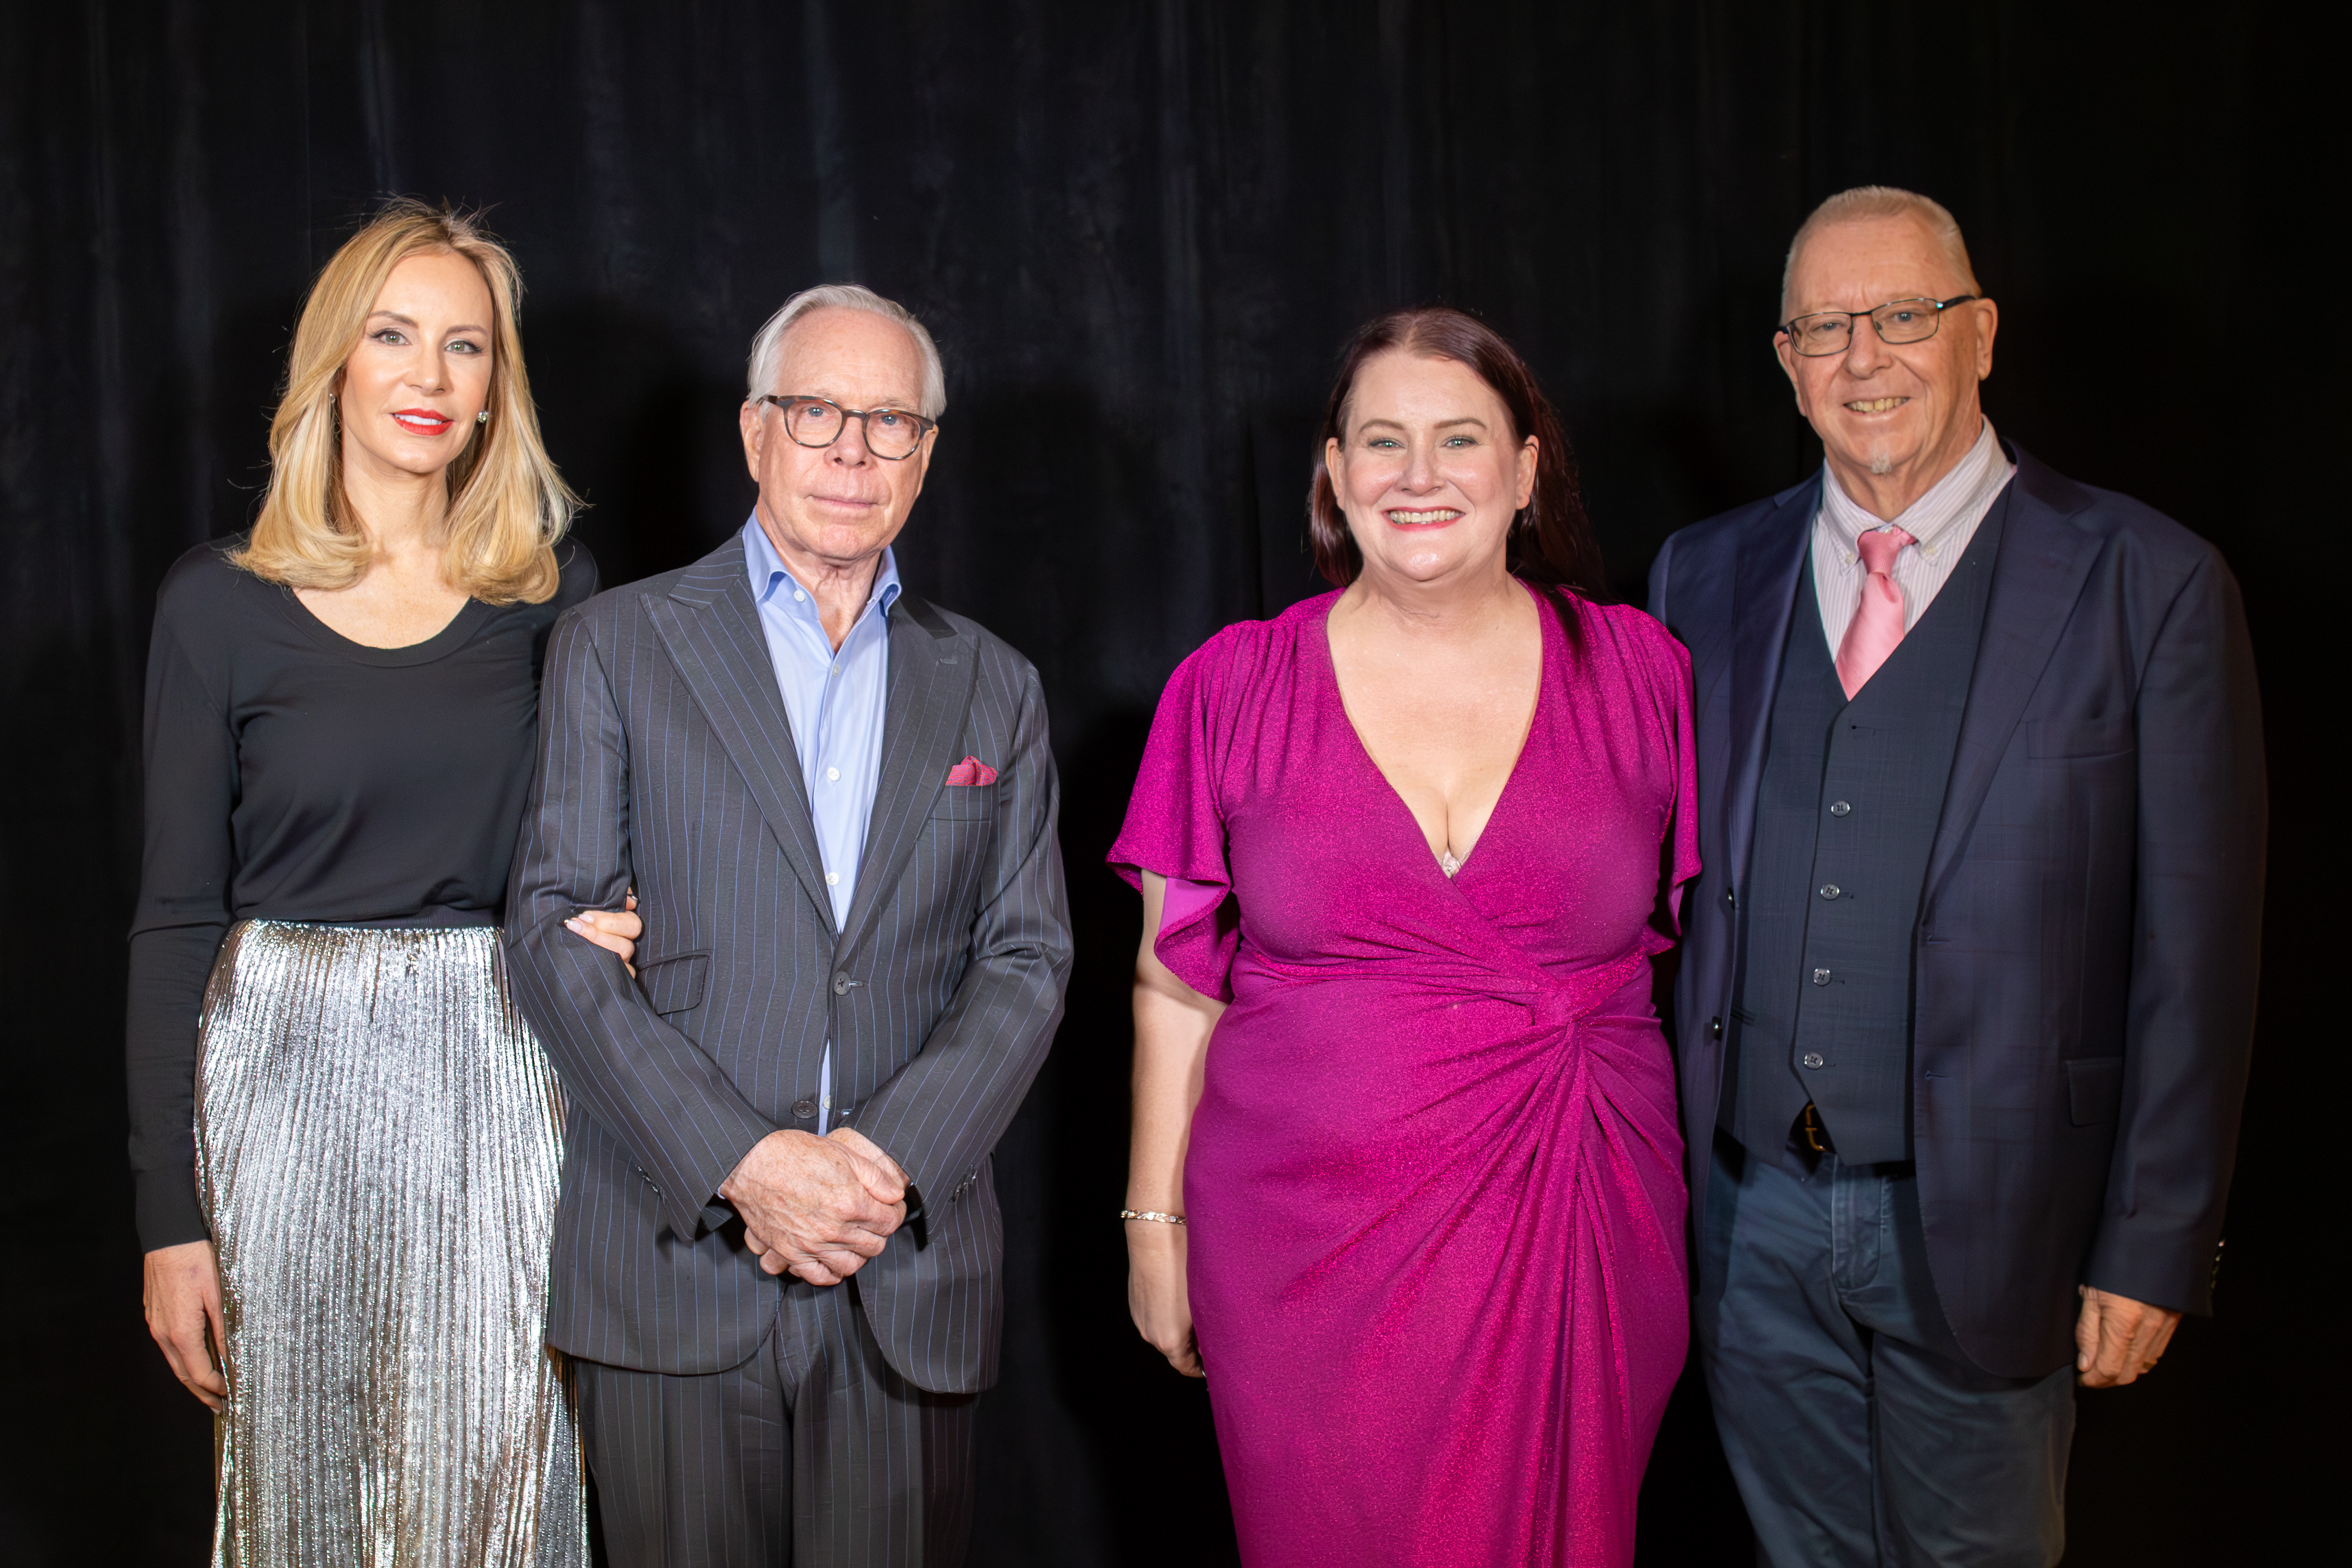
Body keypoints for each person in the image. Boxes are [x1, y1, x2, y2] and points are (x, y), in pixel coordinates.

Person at [1647, 187, 2264, 1565]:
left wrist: (2154, 1238)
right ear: (1786, 361)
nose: (1864, 357)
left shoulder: (2149, 582)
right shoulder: (1700, 574)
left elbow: (2198, 953)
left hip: (1999, 1218)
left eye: (1904, 316)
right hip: (1749, 1217)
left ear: (1980, 334)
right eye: (1826, 327)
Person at [1111, 307, 1700, 1566]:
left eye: (1459, 438)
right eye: (1382, 440)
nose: (1418, 474)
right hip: (1300, 1256)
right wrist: (1151, 1228)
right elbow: (1172, 987)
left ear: (1526, 469)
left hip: (1577, 1216)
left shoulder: (1645, 674)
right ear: (1334, 472)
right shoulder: (1230, 686)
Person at [503, 283, 1071, 1566]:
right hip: (674, 1259)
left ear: (926, 453)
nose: (852, 452)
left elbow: (1027, 961)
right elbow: (551, 933)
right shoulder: (614, 645)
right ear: (756, 430)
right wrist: (747, 1163)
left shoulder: (995, 684)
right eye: (818, 412)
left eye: (889, 422)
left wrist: (879, 1167)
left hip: (899, 1267)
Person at [128, 200, 641, 1566]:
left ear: (495, 387)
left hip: (501, 1075)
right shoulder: (216, 605)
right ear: (334, 365)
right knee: (304, 1492)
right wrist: (170, 1223)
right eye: (394, 337)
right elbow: (175, 921)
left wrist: (615, 916)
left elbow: (601, 850)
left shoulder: (555, 594)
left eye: (466, 346)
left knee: (501, 1482)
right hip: (279, 1086)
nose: (431, 376)